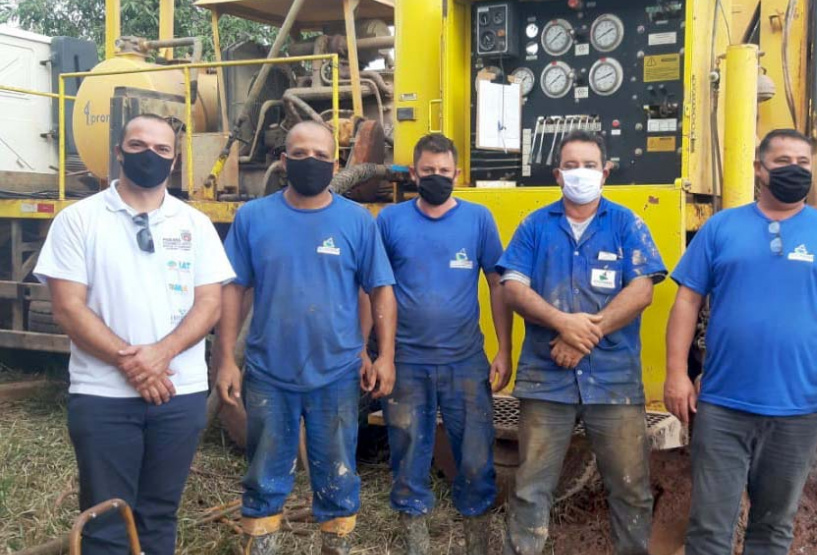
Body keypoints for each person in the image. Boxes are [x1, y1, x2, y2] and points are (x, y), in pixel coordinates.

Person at [664, 128, 817, 555]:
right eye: (783, 162)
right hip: (722, 406)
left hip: (796, 411)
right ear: (759, 169)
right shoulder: (721, 227)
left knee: (772, 528)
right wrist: (677, 373)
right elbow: (687, 301)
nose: (794, 170)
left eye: (803, 163)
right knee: (708, 529)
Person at [34, 113, 235, 554]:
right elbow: (68, 308)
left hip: (178, 394)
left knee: (158, 516)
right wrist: (134, 363)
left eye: (162, 149)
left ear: (174, 160)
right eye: (139, 145)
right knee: (106, 522)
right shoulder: (79, 220)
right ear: (119, 152)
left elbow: (209, 303)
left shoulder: (195, 224)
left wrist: (161, 355)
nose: (150, 155)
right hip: (103, 395)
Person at [214, 120, 397, 555]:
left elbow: (380, 290)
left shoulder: (356, 221)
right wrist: (225, 360)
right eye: (299, 155)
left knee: (337, 478)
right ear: (283, 161)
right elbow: (232, 289)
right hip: (268, 374)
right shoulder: (254, 217)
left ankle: (336, 546)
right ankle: (262, 546)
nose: (309, 162)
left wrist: (384, 356)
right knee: (264, 478)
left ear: (335, 164)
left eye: (320, 156)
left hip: (336, 375)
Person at [497, 130, 666, 555]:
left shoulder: (627, 224)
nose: (580, 173)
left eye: (589, 165)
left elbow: (642, 290)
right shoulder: (535, 226)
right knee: (530, 488)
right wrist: (562, 323)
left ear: (605, 172)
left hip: (613, 381)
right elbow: (512, 287)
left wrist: (584, 335)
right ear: (557, 174)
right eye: (571, 166)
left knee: (630, 490)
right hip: (545, 378)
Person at [376, 134, 512, 554]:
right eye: (428, 170)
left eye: (444, 171)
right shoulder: (390, 221)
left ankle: (477, 546)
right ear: (413, 173)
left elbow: (497, 283)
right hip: (406, 364)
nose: (436, 176)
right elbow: (376, 289)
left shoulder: (478, 219)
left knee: (475, 461)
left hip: (465, 363)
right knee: (407, 462)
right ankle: (415, 544)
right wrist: (381, 356)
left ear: (458, 174)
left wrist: (504, 349)